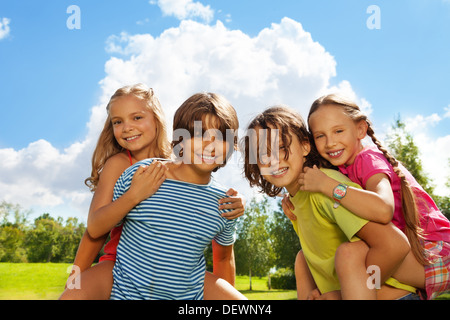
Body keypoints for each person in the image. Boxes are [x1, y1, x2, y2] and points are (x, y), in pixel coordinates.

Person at [60, 85, 245, 300]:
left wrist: (236, 200)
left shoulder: (180, 160)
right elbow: (95, 230)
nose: (127, 127)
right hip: (122, 265)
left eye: (137, 117)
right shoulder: (121, 166)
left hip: (181, 272)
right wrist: (75, 278)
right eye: (117, 122)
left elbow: (203, 201)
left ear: (158, 120)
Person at [285, 93, 450, 300]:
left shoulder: (368, 160)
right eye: (320, 136)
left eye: (338, 131)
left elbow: (383, 209)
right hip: (415, 253)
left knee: (350, 255)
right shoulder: (343, 167)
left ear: (360, 129)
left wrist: (328, 186)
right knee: (329, 255)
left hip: (434, 253)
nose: (330, 142)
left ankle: (342, 295)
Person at [242, 105, 416, 300]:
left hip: (395, 297)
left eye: (282, 148)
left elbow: (395, 245)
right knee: (302, 259)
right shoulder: (296, 201)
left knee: (346, 253)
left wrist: (342, 295)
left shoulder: (324, 189)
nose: (272, 160)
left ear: (305, 146)